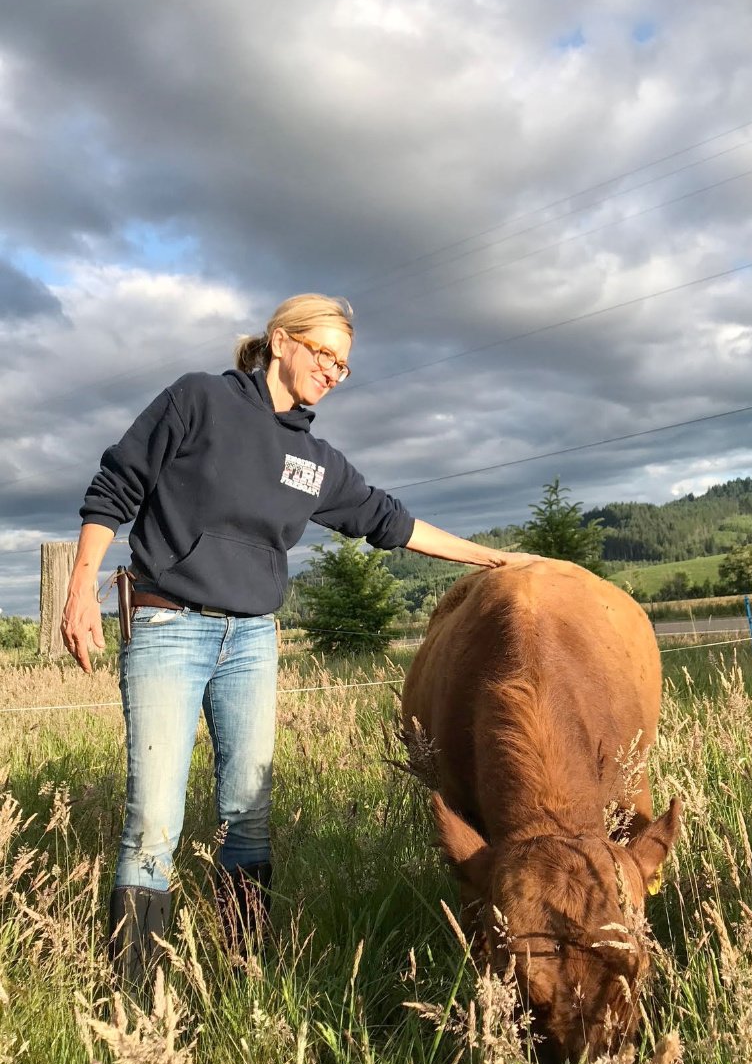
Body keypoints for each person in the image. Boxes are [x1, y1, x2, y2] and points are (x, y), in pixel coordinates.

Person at [61, 293, 537, 988]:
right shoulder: (199, 401)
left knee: (248, 816)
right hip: (169, 626)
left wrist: (492, 559)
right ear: (282, 340)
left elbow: (388, 520)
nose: (333, 372)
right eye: (324, 353)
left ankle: (243, 970)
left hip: (251, 640)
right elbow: (115, 486)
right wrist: (80, 587)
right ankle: (132, 999)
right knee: (154, 821)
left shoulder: (314, 460)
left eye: (343, 366)